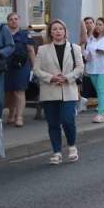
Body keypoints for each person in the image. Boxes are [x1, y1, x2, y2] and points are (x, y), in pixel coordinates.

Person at [33, 19, 84, 165]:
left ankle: (72, 146)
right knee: (53, 123)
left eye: (61, 29)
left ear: (65, 31)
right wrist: (51, 78)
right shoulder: (42, 49)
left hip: (68, 90)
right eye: (54, 29)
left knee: (68, 120)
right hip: (50, 91)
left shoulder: (75, 48)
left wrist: (67, 78)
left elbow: (80, 68)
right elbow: (36, 70)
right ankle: (56, 152)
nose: (58, 31)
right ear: (50, 32)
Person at [2, 12, 35, 127]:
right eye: (11, 19)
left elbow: (30, 50)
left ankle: (19, 116)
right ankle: (11, 113)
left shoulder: (25, 34)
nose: (13, 21)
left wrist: (34, 67)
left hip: (22, 66)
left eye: (16, 19)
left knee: (19, 91)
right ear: (8, 22)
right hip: (7, 66)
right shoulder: (3, 34)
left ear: (19, 20)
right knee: (9, 92)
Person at [84, 17, 104, 123]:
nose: (97, 26)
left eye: (100, 25)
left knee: (101, 89)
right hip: (93, 68)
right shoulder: (92, 38)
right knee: (98, 90)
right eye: (97, 24)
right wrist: (87, 55)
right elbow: (86, 50)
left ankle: (101, 114)